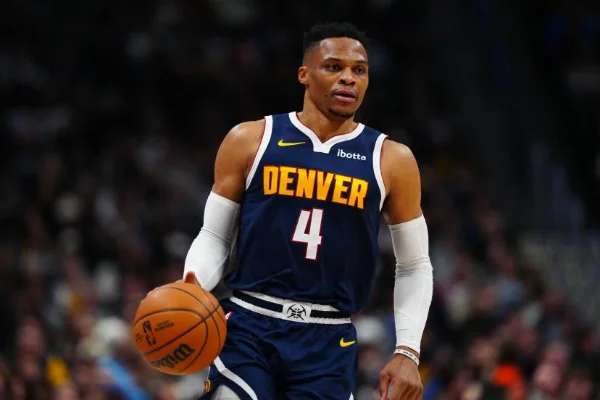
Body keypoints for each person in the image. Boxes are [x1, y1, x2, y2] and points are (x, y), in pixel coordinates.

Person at [181, 22, 434, 400]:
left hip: (328, 339)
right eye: (334, 67)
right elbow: (215, 235)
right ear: (304, 74)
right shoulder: (251, 139)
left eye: (359, 70)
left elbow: (414, 264)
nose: (348, 78)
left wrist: (407, 350)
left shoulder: (391, 159)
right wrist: (191, 286)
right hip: (249, 323)